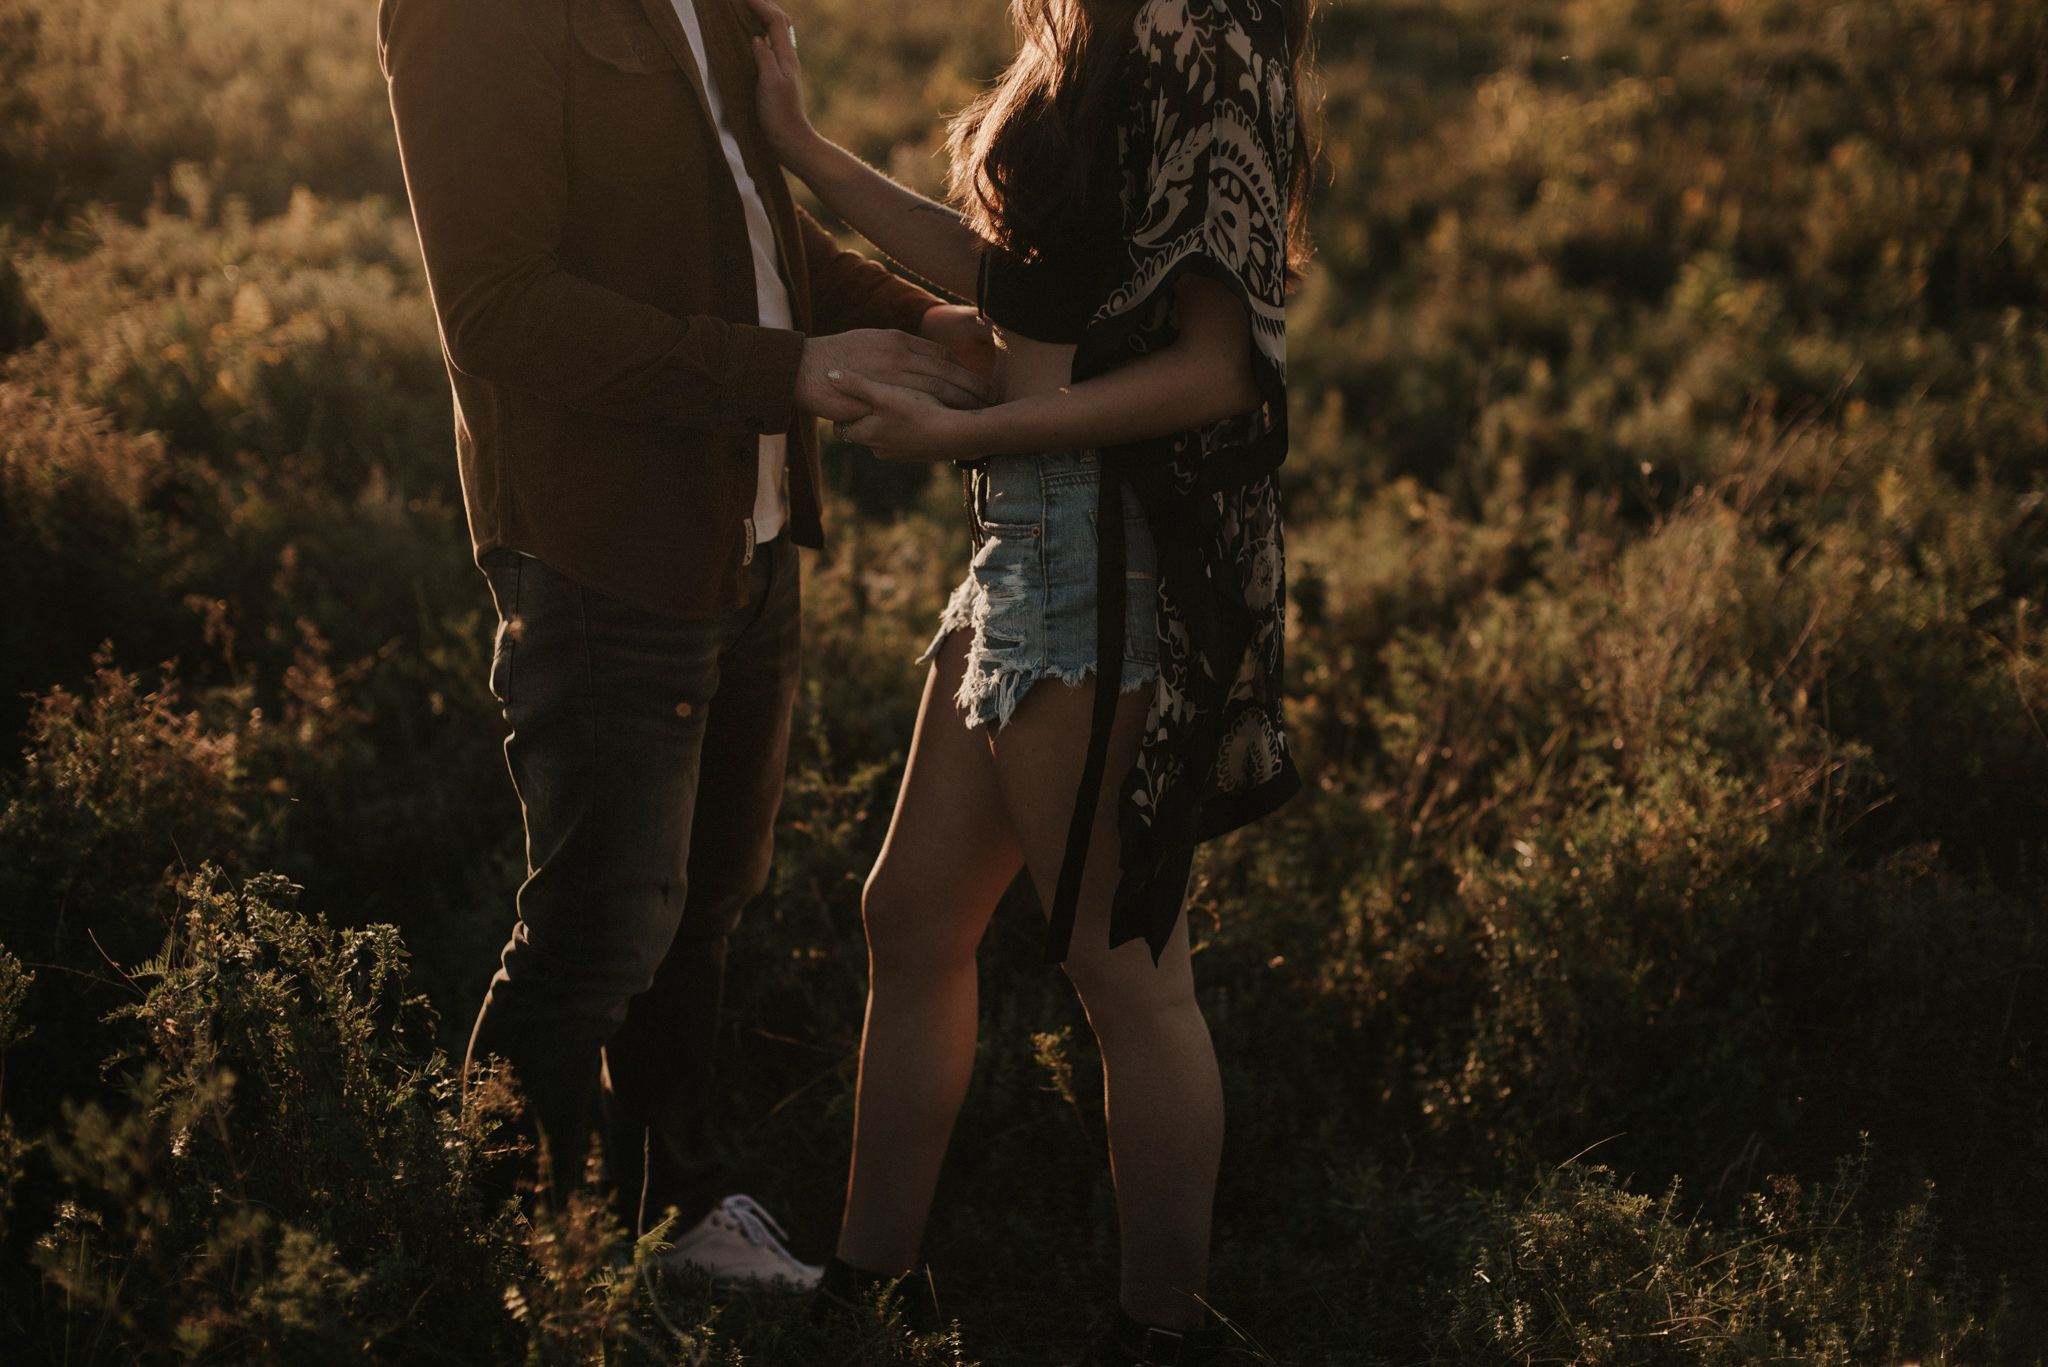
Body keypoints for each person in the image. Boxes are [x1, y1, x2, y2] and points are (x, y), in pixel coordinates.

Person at [378, 0, 998, 1289]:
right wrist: (784, 374)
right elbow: (496, 306)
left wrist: (917, 320)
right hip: (605, 548)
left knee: (705, 910)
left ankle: (672, 1222)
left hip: (749, 529)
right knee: (597, 939)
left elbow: (751, 242)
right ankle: (501, 1278)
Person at [745, 0, 1314, 1358]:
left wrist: (986, 427)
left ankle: (1157, 1329)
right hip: (1028, 537)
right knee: (911, 918)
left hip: (1106, 552)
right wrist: (807, 153)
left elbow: (1220, 371)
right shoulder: (1092, 29)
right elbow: (1017, 280)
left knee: (1125, 969)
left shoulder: (1205, 47)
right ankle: (869, 1293)